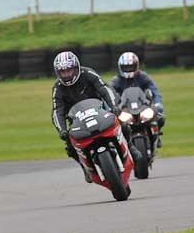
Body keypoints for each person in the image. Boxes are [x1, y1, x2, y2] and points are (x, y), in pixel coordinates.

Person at [51, 51, 139, 182]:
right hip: (77, 119)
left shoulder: (88, 74)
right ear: (58, 73)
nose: (66, 75)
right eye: (63, 72)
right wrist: (62, 130)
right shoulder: (57, 88)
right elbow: (57, 110)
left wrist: (114, 106)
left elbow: (105, 89)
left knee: (122, 122)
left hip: (100, 111)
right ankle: (85, 167)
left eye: (69, 70)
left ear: (76, 68)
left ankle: (131, 147)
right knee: (70, 144)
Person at [109, 51, 165, 145]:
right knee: (114, 124)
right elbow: (109, 94)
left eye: (131, 66)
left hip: (143, 105)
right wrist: (112, 107)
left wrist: (157, 102)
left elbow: (154, 90)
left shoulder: (143, 77)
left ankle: (156, 135)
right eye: (126, 67)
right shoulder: (116, 81)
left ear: (136, 66)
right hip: (125, 108)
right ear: (120, 67)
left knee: (160, 116)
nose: (128, 69)